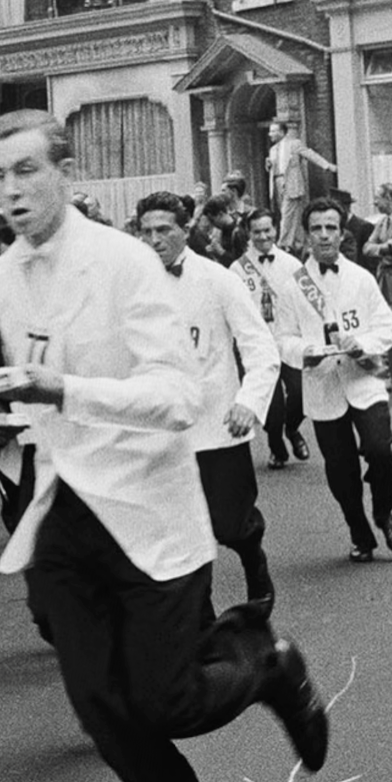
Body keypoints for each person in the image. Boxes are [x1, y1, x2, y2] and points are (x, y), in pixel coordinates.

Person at [0, 111, 325, 782]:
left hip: (146, 509)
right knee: (106, 715)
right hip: (66, 516)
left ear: (64, 170)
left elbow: (178, 398)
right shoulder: (0, 276)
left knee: (166, 703)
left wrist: (60, 390)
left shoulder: (126, 263)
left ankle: (265, 660)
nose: (10, 193)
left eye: (26, 172)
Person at [133, 192, 282, 616]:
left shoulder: (218, 280)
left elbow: (261, 349)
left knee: (230, 523)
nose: (155, 240)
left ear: (185, 230)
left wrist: (248, 403)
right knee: (179, 533)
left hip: (217, 428)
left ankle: (254, 557)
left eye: (164, 230)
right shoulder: (133, 285)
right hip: (162, 432)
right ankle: (202, 619)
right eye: (146, 232)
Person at [287, 194, 392, 561]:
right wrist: (300, 352)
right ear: (307, 235)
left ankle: (384, 513)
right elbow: (280, 337)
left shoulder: (360, 278)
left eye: (331, 228)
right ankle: (360, 533)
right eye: (316, 229)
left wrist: (363, 343)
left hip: (363, 380)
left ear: (342, 233)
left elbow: (387, 326)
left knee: (379, 451)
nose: (324, 236)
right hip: (323, 385)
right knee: (341, 471)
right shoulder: (293, 285)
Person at [228, 207, 320, 466]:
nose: (262, 236)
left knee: (301, 393)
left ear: (276, 230)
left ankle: (292, 429)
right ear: (249, 233)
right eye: (256, 231)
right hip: (258, 344)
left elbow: (310, 299)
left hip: (289, 339)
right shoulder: (237, 269)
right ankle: (276, 445)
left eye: (267, 230)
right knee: (272, 405)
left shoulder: (292, 264)